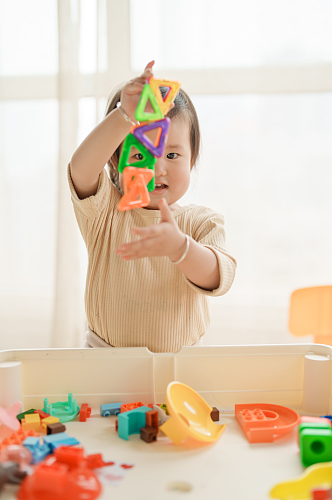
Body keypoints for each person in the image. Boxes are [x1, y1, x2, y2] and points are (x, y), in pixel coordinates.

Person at [68, 61, 237, 352]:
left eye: (172, 154)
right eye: (140, 155)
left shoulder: (201, 222)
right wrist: (124, 117)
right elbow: (81, 170)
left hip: (181, 366)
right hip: (104, 362)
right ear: (114, 160)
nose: (159, 169)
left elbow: (218, 277)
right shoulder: (105, 211)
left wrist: (180, 248)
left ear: (192, 158)